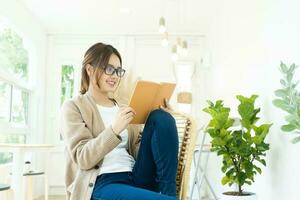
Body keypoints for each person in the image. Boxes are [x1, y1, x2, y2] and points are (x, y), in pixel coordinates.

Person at [60, 42, 179, 200]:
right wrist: (114, 130)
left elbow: (135, 150)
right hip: (103, 182)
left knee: (161, 118)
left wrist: (157, 130)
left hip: (136, 175)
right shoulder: (74, 107)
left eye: (118, 70)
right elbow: (83, 158)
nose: (115, 75)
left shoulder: (122, 107)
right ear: (89, 69)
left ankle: (168, 192)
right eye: (109, 69)